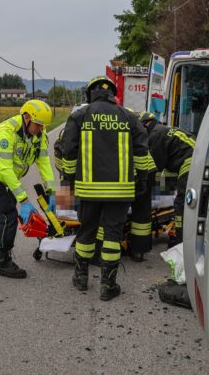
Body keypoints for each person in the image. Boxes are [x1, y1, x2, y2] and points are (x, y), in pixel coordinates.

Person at [61, 76, 155, 301]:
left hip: (87, 190)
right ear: (113, 94)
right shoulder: (130, 117)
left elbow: (68, 152)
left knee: (86, 232)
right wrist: (141, 183)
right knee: (112, 235)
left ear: (90, 93)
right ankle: (107, 285)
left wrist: (71, 182)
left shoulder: (79, 116)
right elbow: (142, 154)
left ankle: (81, 277)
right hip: (120, 191)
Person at [0, 99, 55, 279]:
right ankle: (3, 262)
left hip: (10, 177)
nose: (41, 130)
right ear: (27, 118)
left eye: (43, 126)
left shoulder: (39, 136)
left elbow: (43, 162)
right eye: (38, 125)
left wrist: (51, 191)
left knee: (2, 209)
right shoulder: (6, 132)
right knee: (9, 213)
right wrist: (24, 200)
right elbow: (4, 169)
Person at [137, 111, 194, 247]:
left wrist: (144, 187)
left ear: (146, 124)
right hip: (192, 160)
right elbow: (168, 165)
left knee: (182, 203)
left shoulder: (155, 135)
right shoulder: (162, 130)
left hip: (190, 162)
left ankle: (181, 242)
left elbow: (155, 167)